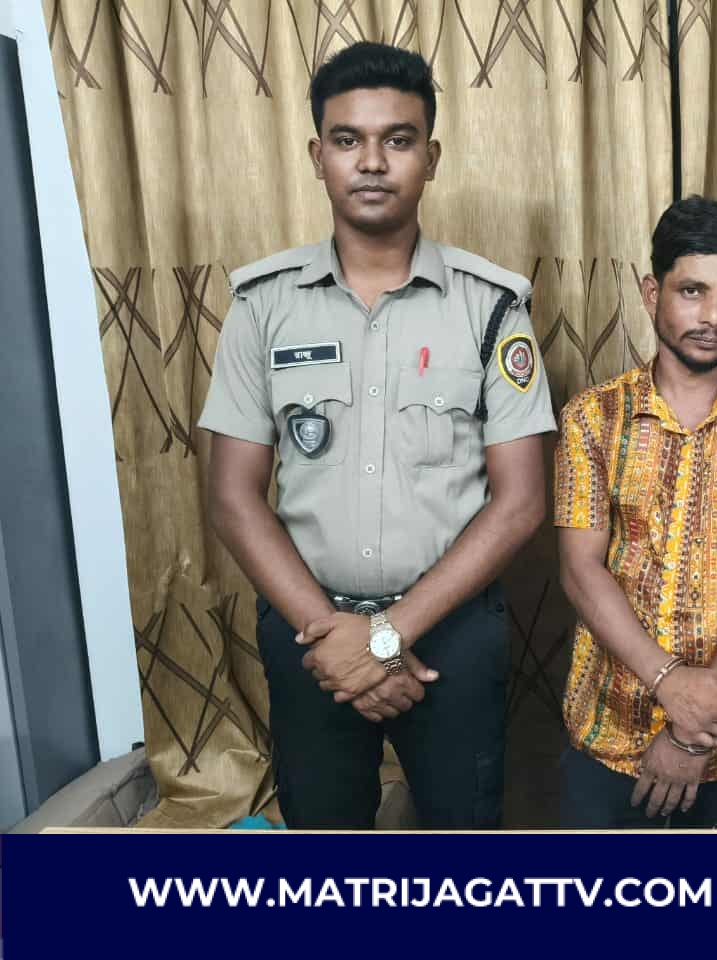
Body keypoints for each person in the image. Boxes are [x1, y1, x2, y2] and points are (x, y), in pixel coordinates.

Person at [199, 42, 555, 829]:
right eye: (347, 139)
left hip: (451, 633)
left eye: (397, 140)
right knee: (327, 852)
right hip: (309, 628)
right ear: (317, 155)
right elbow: (232, 497)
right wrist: (339, 640)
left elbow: (521, 502)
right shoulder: (263, 305)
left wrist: (387, 638)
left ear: (430, 158)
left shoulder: (491, 306)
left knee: (462, 856)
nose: (371, 162)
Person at [555, 196, 717, 828]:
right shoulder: (593, 418)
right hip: (609, 722)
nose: (714, 317)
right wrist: (669, 682)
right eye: (693, 291)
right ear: (653, 294)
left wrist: (693, 738)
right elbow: (580, 572)